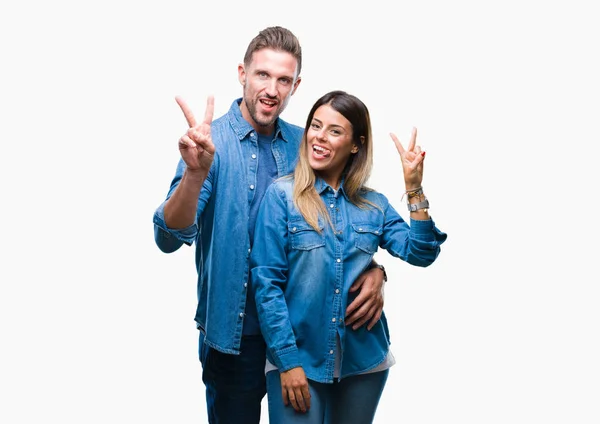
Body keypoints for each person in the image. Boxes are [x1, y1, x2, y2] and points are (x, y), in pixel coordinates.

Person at [152, 27, 387, 424]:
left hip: (300, 340)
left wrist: (377, 271)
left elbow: (351, 222)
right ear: (242, 73)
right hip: (233, 338)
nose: (272, 89)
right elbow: (168, 237)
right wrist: (195, 175)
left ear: (296, 85)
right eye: (262, 75)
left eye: (283, 80)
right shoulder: (211, 143)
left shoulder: (306, 144)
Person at [250, 90, 448, 423]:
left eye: (334, 131)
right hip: (299, 360)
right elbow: (266, 284)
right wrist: (287, 361)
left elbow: (420, 252)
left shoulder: (373, 205)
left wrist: (414, 188)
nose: (319, 137)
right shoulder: (282, 197)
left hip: (363, 363)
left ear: (355, 144)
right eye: (315, 125)